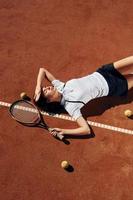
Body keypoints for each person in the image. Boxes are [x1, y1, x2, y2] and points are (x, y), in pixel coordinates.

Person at [34, 56, 133, 137]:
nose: (46, 88)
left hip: (103, 72)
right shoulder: (71, 107)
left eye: (44, 88)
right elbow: (86, 130)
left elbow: (42, 70)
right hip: (113, 86)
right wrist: (63, 131)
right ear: (49, 100)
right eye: (44, 92)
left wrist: (38, 86)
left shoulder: (60, 86)